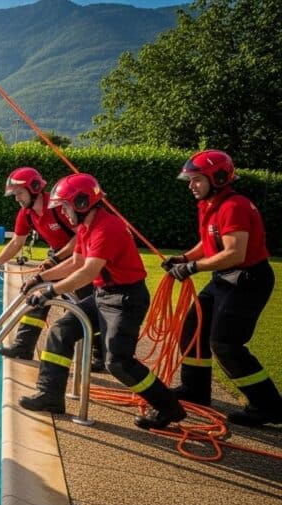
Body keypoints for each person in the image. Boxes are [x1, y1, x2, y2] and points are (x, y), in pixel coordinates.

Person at [19, 173, 186, 430]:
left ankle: (169, 407)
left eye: (64, 206)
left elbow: (88, 272)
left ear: (82, 203)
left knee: (118, 362)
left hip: (125, 299)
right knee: (61, 331)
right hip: (104, 295)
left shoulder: (107, 227)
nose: (63, 212)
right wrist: (39, 277)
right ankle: (50, 395)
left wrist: (49, 291)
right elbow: (74, 263)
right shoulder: (86, 227)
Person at [165, 149, 281, 427]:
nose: (191, 185)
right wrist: (184, 258)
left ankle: (269, 407)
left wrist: (192, 268)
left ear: (217, 178)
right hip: (224, 279)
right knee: (193, 328)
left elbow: (235, 253)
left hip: (247, 280)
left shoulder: (234, 206)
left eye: (196, 179)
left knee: (226, 344)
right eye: (190, 180)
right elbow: (209, 241)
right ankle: (195, 390)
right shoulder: (210, 204)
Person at [0, 167, 105, 368]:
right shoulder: (26, 213)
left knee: (88, 303)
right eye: (14, 194)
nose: (17, 198)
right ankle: (23, 346)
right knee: (37, 294)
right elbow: (16, 243)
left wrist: (56, 258)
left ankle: (100, 356)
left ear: (35, 188)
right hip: (58, 256)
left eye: (19, 193)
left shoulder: (58, 206)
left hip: (81, 256)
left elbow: (80, 236)